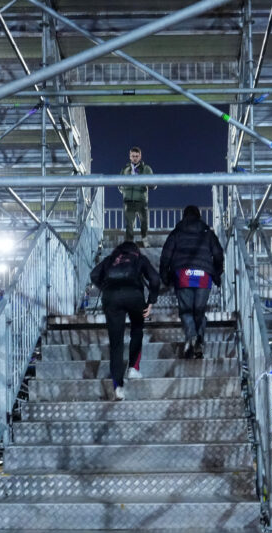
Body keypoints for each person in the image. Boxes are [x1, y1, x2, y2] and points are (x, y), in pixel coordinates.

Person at [89, 241, 160, 400]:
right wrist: (151, 301)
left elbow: (94, 275)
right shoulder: (139, 258)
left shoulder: (110, 259)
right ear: (134, 250)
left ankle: (118, 387)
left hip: (111, 298)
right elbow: (155, 279)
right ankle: (133, 367)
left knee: (116, 344)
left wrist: (105, 287)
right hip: (134, 296)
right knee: (137, 328)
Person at [159, 205, 224, 359]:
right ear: (199, 216)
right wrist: (216, 272)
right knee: (199, 311)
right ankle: (199, 340)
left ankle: (192, 337)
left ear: (184, 216)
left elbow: (166, 256)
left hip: (183, 274)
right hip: (203, 275)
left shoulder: (177, 232)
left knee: (186, 311)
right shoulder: (207, 233)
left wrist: (165, 276)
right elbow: (218, 254)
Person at [118, 146, 155, 245]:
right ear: (130, 156)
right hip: (128, 201)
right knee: (129, 224)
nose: (135, 158)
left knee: (144, 222)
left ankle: (145, 240)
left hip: (141, 200)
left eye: (137, 156)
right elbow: (119, 183)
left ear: (140, 156)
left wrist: (146, 182)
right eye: (133, 156)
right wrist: (124, 190)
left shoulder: (146, 169)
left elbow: (154, 184)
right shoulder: (125, 169)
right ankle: (129, 242)